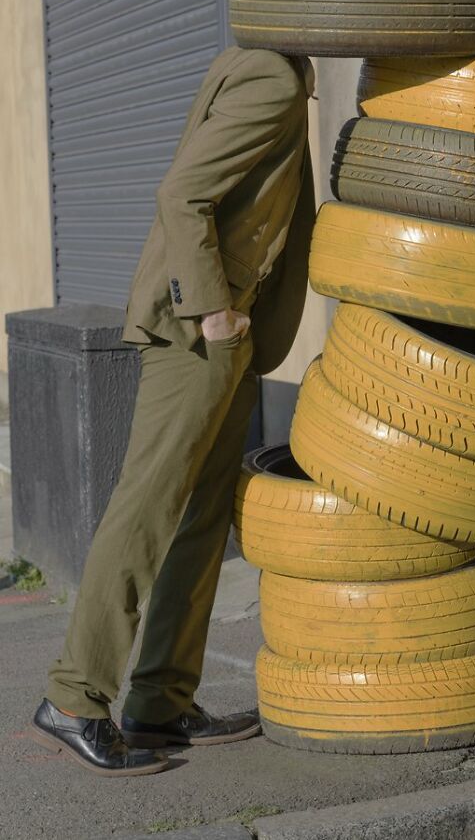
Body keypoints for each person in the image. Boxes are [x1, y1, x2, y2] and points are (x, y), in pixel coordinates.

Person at [29, 46, 317, 776]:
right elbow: (183, 192)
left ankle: (161, 698)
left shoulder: (272, 66)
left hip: (233, 332)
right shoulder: (271, 75)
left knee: (199, 515)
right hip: (201, 330)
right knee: (148, 508)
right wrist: (213, 311)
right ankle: (75, 696)